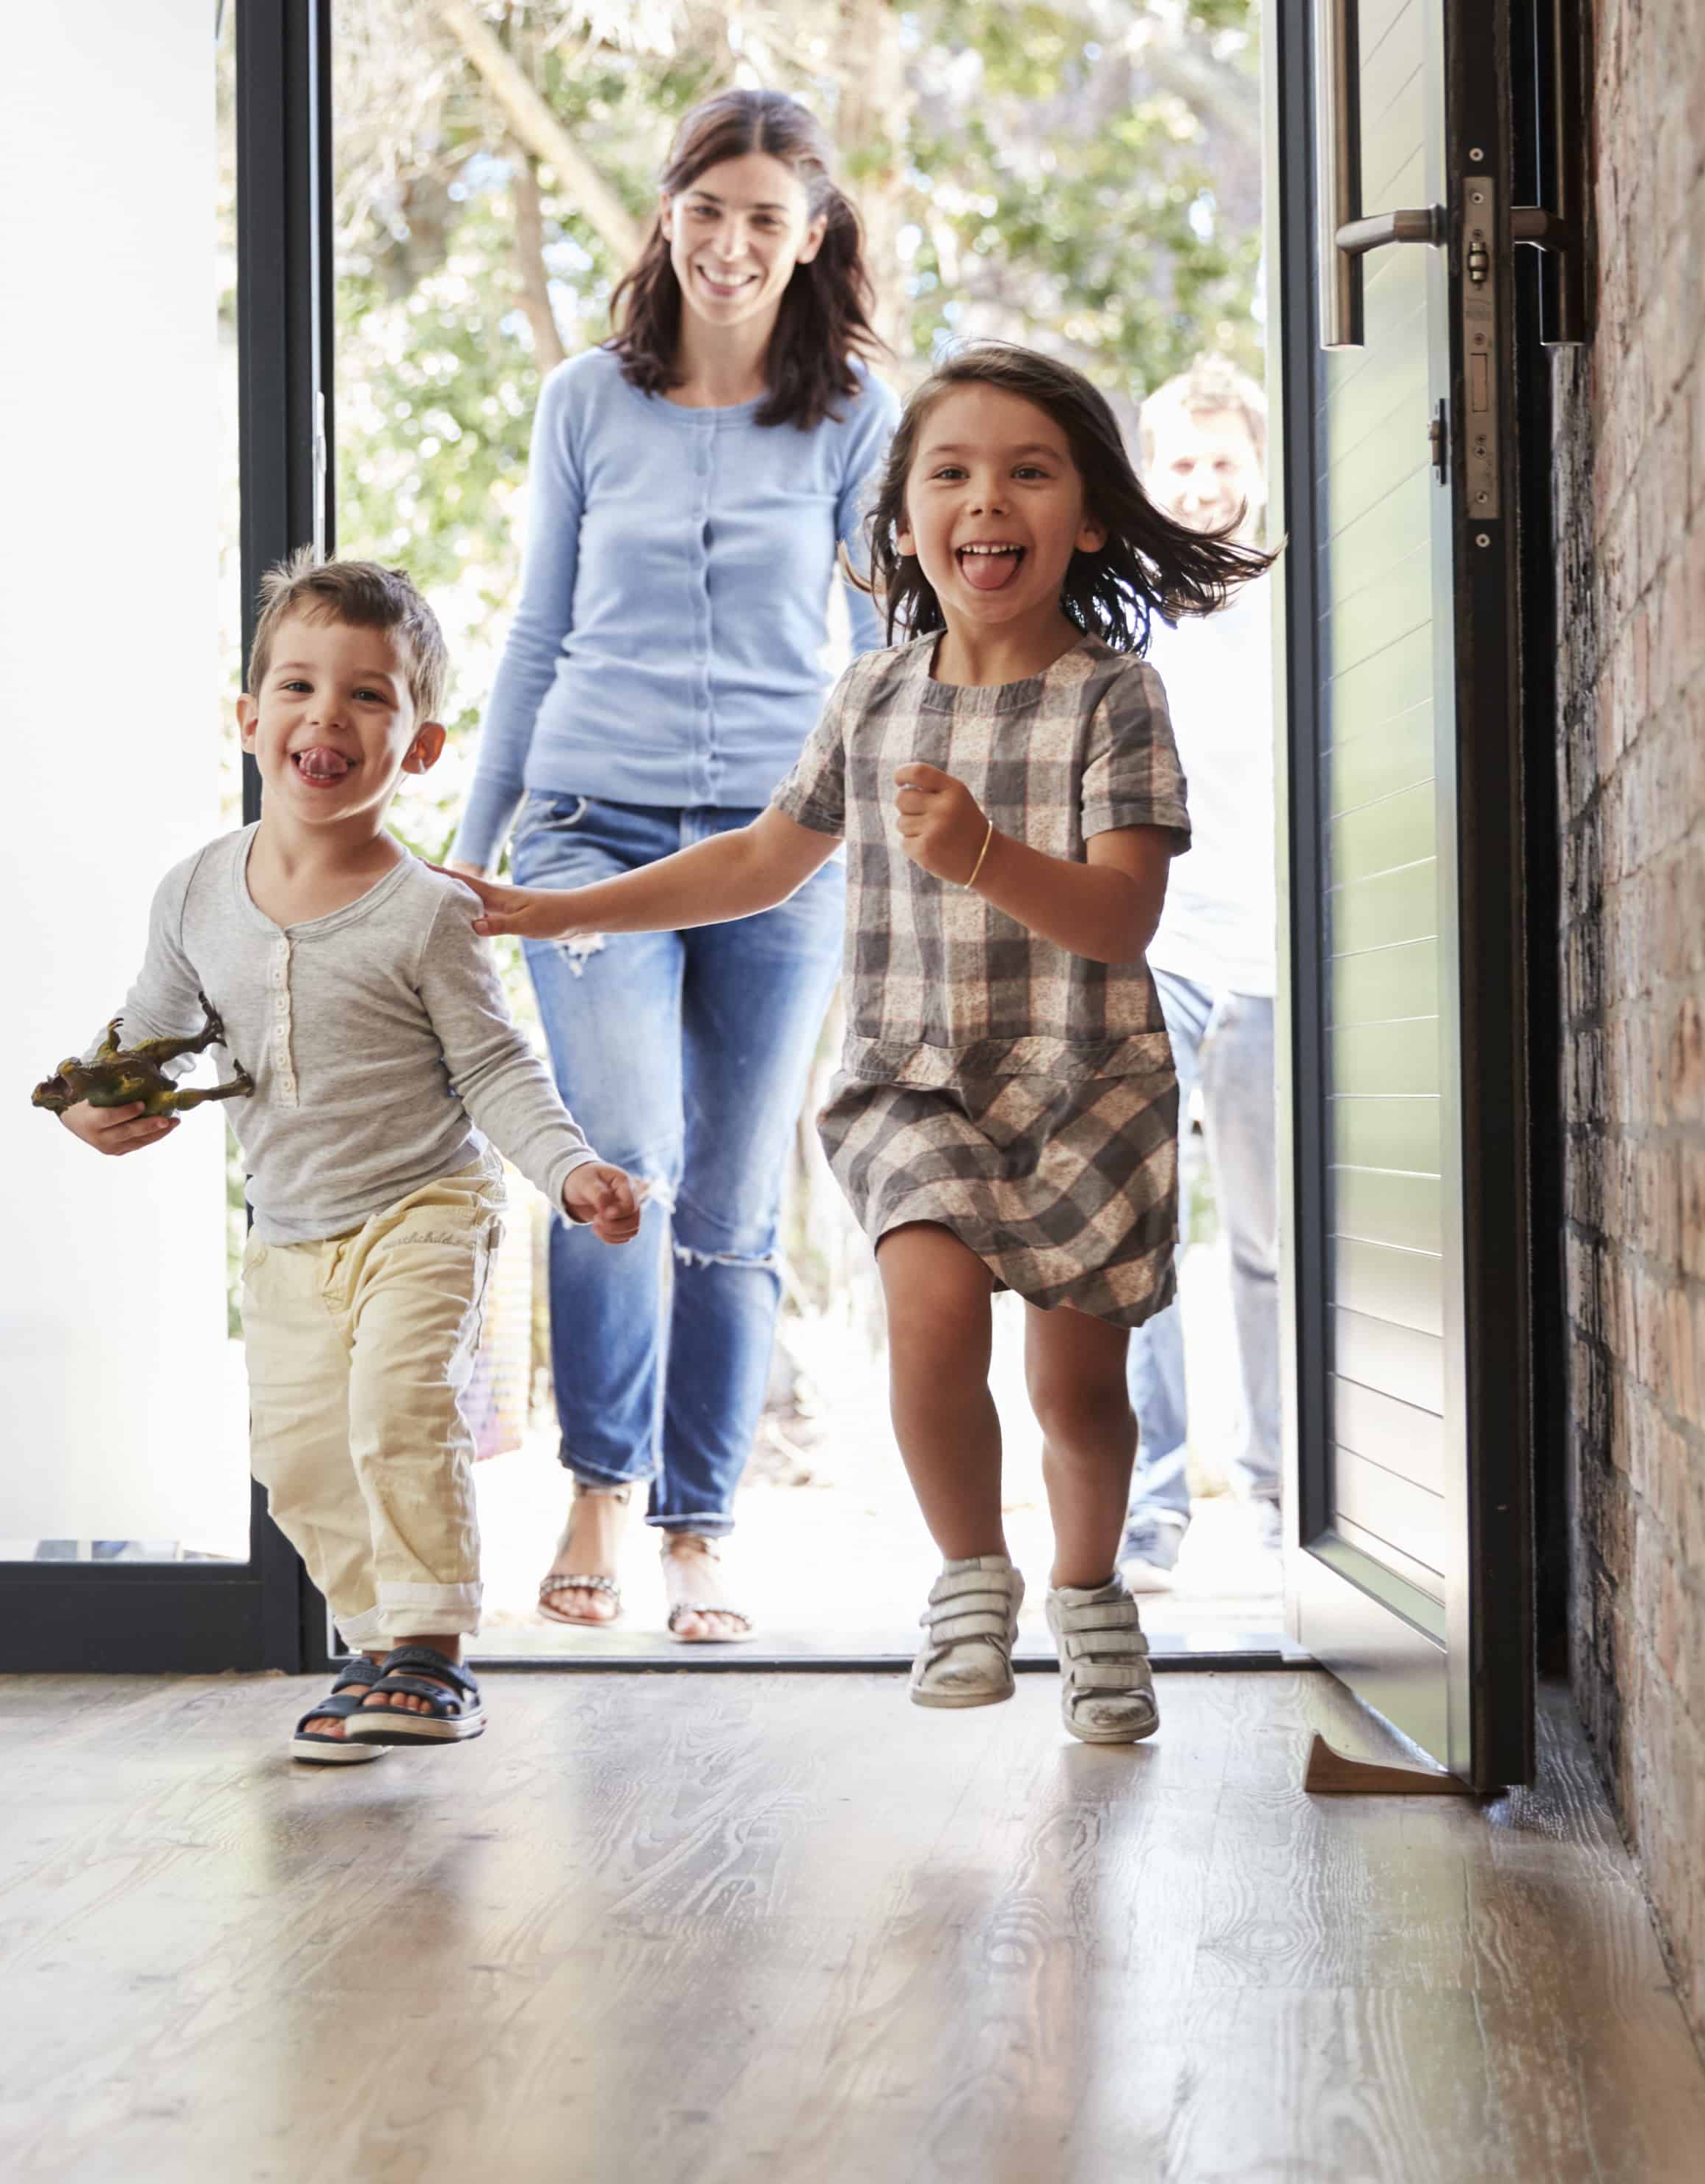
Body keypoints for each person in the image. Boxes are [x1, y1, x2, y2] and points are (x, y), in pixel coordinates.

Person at [459, 345, 1272, 1742]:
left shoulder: (1116, 698)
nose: (986, 500)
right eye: (948, 473)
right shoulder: (873, 696)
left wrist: (984, 854)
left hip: (1088, 1083)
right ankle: (971, 1576)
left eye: (1029, 471)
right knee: (931, 1318)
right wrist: (559, 903)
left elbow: (1124, 917)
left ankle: (1090, 1597)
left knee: (1078, 1390)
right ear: (900, 523)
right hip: (918, 1081)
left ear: (1086, 514)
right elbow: (762, 863)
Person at [59, 551, 644, 1763]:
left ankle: (432, 1657)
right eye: (298, 687)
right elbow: (149, 1033)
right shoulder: (192, 893)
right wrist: (92, 1100)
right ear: (249, 720)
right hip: (286, 1229)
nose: (327, 714)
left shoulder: (429, 910)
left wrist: (570, 1170)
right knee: (300, 1455)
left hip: (422, 1204)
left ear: (419, 748)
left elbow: (494, 1069)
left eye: (370, 696)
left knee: (397, 1409)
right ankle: (378, 1645)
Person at [446, 87, 900, 1644]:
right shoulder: (588, 399)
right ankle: (596, 1491)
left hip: (784, 849)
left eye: (765, 218)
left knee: (731, 1193)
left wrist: (892, 843)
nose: (729, 243)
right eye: (707, 210)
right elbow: (536, 629)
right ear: (667, 215)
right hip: (587, 830)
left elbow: (881, 653)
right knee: (618, 1164)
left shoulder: (854, 419)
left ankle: (699, 1526)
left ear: (812, 236)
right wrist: (467, 851)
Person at [1116, 359, 1287, 1590]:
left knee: (1275, 1243)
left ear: (1260, 470)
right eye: (1183, 462)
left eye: (1226, 460)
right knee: (1144, 1238)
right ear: (1149, 473)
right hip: (1157, 949)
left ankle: (1288, 1495)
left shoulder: (1301, 601)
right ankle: (1153, 1509)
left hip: (1277, 956)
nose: (1206, 483)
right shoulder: (1124, 620)